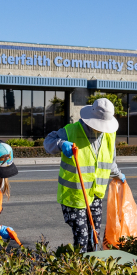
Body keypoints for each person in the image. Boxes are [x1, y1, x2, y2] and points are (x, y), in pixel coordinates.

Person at [44, 97, 125, 252]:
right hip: (74, 196)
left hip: (95, 195)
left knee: (95, 236)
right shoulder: (71, 131)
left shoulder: (109, 135)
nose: (101, 129)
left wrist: (118, 174)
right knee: (82, 237)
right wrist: (61, 144)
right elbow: (48, 142)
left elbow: (109, 161)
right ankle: (79, 270)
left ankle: (92, 269)